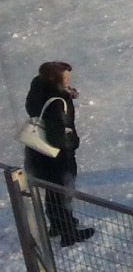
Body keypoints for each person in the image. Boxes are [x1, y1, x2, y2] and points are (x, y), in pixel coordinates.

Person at [23, 62, 93, 247]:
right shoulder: (56, 101)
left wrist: (66, 93)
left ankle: (57, 225)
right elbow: (61, 131)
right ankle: (68, 232)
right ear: (55, 80)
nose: (68, 79)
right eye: (65, 77)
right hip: (57, 154)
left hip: (39, 152)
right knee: (63, 190)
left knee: (52, 191)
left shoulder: (38, 88)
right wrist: (73, 143)